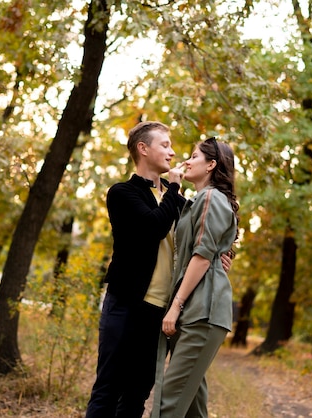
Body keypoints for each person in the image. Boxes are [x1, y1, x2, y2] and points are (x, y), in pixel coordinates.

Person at [85, 122, 232, 418]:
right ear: (143, 148)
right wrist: (174, 188)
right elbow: (152, 227)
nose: (172, 151)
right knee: (108, 388)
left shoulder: (178, 200)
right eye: (164, 145)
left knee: (137, 394)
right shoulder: (122, 193)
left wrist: (222, 253)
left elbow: (203, 235)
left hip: (159, 311)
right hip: (126, 304)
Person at [152, 137, 239, 418]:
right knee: (191, 408)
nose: (186, 161)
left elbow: (202, 256)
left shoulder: (212, 197)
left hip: (203, 312)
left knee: (168, 404)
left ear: (211, 164)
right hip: (195, 310)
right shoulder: (199, 200)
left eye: (193, 156)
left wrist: (174, 307)